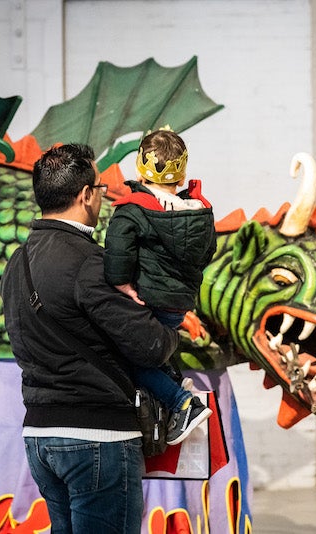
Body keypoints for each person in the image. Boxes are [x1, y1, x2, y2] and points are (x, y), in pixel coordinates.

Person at [1, 143, 179, 534]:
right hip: (97, 437)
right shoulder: (88, 261)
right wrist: (170, 322)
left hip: (39, 435)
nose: (101, 196)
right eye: (99, 188)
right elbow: (150, 345)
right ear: (85, 195)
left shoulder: (18, 261)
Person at [104, 128, 217, 446]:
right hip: (178, 307)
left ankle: (183, 403)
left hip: (147, 301)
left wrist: (122, 285)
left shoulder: (132, 210)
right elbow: (207, 253)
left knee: (129, 362)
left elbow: (117, 256)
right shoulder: (199, 212)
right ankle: (174, 385)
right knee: (151, 355)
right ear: (181, 175)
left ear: (140, 167)